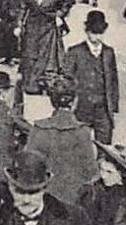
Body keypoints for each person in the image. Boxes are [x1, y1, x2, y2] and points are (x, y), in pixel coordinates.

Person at [25, 74, 97, 209]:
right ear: (74, 102)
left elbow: (28, 165)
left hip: (44, 200)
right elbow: (90, 172)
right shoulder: (82, 132)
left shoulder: (39, 128)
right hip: (72, 202)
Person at [16, 0, 70, 97]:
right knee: (30, 54)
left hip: (49, 25)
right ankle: (31, 85)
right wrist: (19, 23)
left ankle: (48, 85)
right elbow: (22, 6)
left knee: (49, 57)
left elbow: (65, 4)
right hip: (33, 25)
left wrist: (59, 15)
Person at [64, 9, 120, 146]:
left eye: (100, 33)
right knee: (79, 146)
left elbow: (113, 80)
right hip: (81, 108)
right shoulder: (74, 52)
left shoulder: (109, 52)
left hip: (103, 110)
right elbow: (66, 80)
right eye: (93, 33)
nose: (96, 37)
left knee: (105, 147)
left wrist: (114, 107)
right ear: (87, 31)